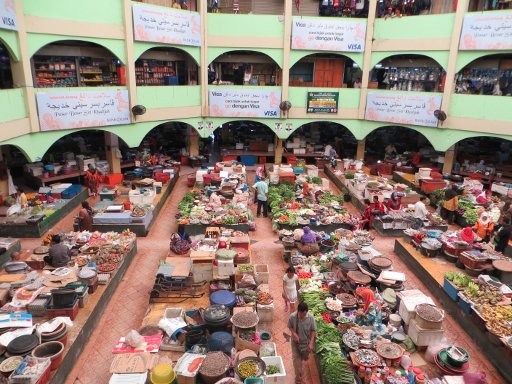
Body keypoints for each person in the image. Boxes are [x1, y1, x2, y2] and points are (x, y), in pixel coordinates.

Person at [287, 302, 316, 384]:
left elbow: (313, 330)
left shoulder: (310, 317)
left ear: (306, 312)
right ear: (298, 311)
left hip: (306, 343)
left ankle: (301, 361)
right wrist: (294, 333)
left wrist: (311, 343)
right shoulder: (292, 316)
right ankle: (298, 380)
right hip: (295, 343)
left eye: (303, 314)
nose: (301, 316)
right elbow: (290, 326)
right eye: (300, 314)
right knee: (297, 362)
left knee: (305, 357)